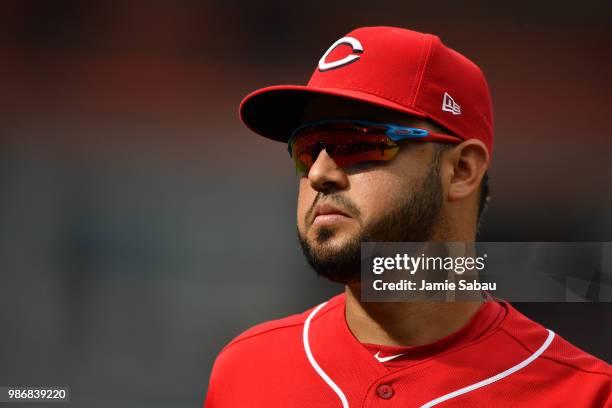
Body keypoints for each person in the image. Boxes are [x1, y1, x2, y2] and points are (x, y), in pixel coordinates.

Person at [204, 26, 611, 407]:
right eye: (307, 148)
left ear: (462, 170)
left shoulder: (585, 394)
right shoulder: (245, 371)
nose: (320, 174)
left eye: (357, 142)